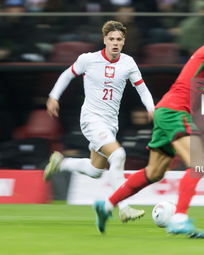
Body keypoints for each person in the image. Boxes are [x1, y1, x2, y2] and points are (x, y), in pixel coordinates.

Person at [93, 18, 204, 238]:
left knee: (154, 173)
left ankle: (107, 205)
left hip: (165, 109)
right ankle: (179, 219)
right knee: (199, 164)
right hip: (175, 111)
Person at [44, 20, 155, 223]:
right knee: (119, 154)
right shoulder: (88, 59)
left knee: (96, 170)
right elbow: (67, 75)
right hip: (91, 120)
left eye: (119, 39)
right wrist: (54, 96)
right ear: (104, 40)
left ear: (123, 42)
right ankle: (124, 207)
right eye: (111, 39)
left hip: (111, 123)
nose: (115, 43)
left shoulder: (128, 63)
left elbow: (142, 88)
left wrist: (151, 107)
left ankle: (62, 163)